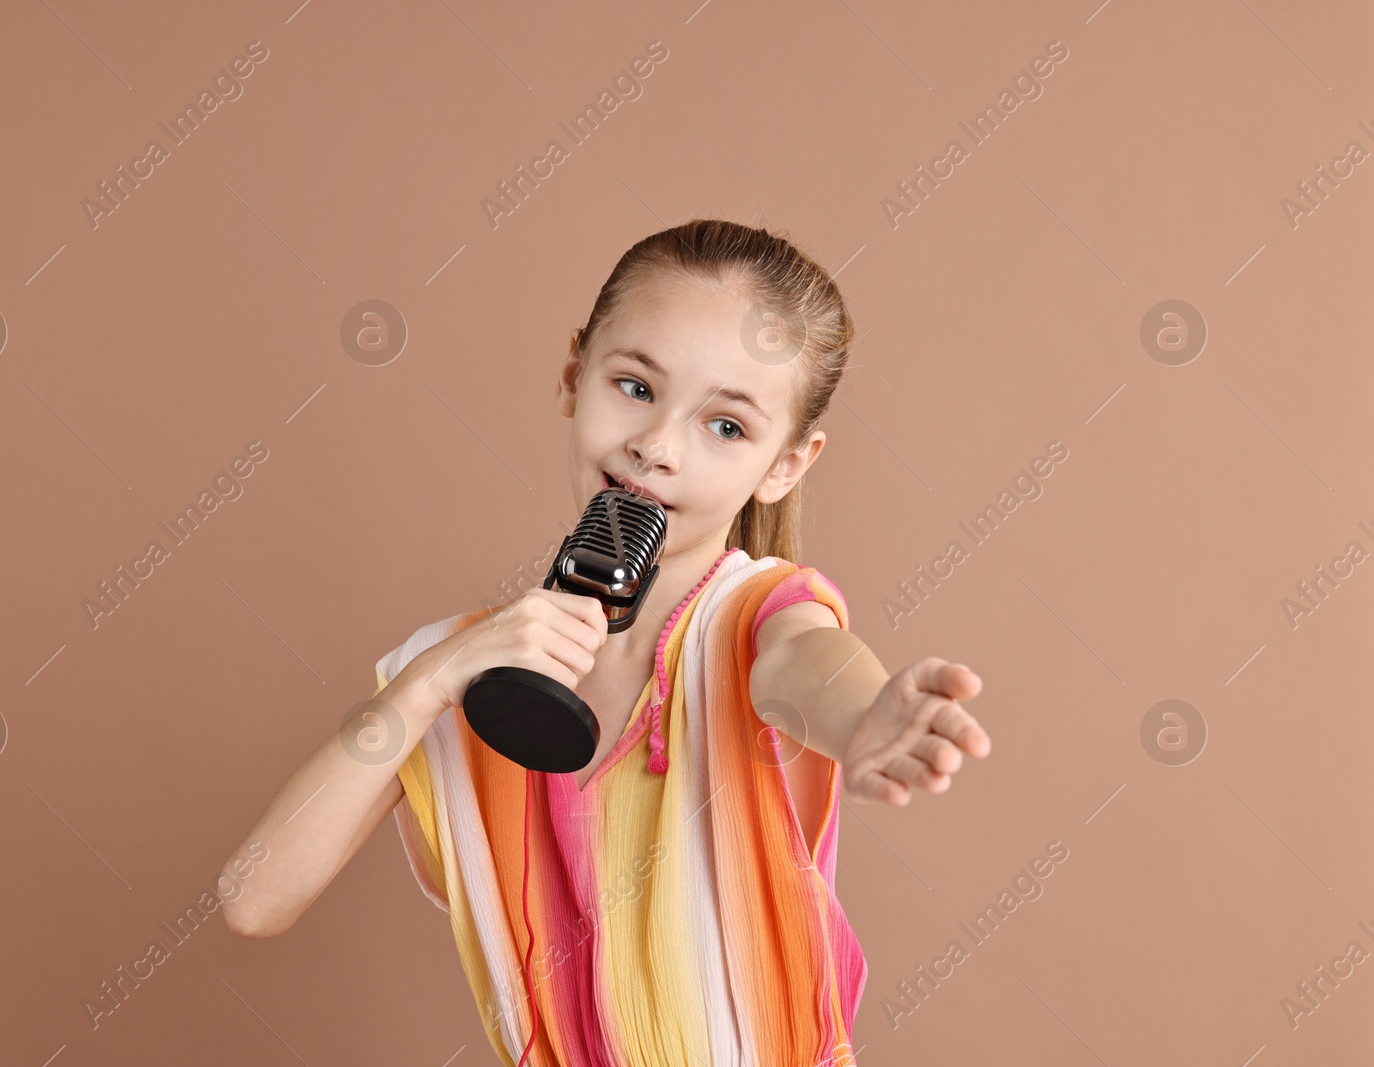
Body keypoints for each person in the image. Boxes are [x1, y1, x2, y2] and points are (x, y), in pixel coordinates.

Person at [221, 218, 991, 1066]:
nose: (655, 446)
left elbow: (809, 663)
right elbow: (253, 899)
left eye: (725, 426)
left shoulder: (757, 616)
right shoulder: (459, 671)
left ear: (786, 464)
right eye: (633, 386)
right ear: (573, 374)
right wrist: (428, 682)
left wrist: (866, 716)